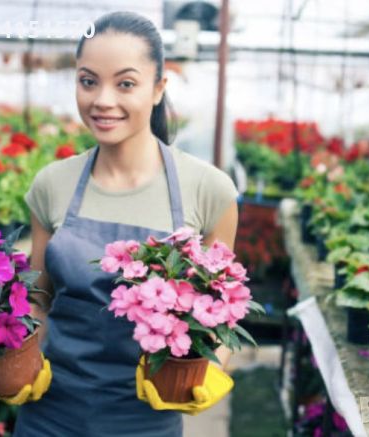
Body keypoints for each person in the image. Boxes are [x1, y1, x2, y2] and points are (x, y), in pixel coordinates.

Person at [14, 11, 239, 436]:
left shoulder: (208, 190)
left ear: (158, 89)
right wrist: (12, 360)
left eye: (126, 83)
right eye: (88, 80)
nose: (102, 99)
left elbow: (222, 313)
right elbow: (38, 298)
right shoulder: (52, 184)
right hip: (50, 414)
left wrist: (212, 370)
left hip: (147, 421)